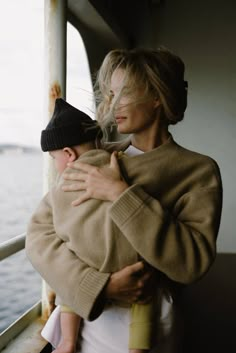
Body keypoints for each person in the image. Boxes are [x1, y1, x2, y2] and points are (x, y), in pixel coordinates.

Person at [26, 47, 223, 353]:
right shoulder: (96, 157)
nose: (111, 103)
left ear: (157, 96)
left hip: (147, 330)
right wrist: (98, 286)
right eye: (110, 92)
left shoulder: (198, 171)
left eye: (125, 92)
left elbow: (191, 262)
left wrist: (120, 194)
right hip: (81, 324)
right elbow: (39, 235)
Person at [28, 98, 163, 353]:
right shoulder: (121, 165)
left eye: (54, 158)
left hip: (91, 264)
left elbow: (54, 224)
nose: (56, 167)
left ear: (68, 155)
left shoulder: (65, 182)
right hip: (133, 264)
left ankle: (67, 342)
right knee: (145, 302)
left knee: (71, 286)